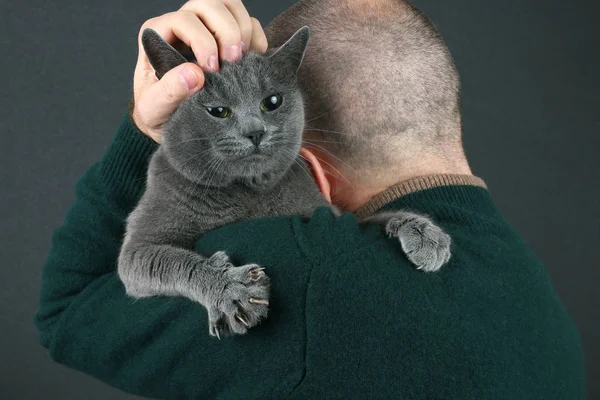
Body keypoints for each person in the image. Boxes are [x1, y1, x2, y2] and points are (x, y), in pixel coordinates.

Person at [35, 0, 584, 399]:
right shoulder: (546, 307)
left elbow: (68, 310)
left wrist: (145, 129)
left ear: (309, 166)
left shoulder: (298, 271)